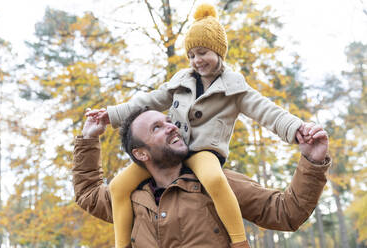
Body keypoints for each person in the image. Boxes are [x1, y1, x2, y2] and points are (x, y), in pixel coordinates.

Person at [87, 4, 310, 248]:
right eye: (191, 55)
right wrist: (110, 115)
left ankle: (239, 241)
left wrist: (295, 129)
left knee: (214, 179)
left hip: (204, 151)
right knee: (119, 186)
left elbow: (267, 112)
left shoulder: (234, 88)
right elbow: (147, 101)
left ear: (219, 51)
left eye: (202, 53)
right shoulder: (181, 81)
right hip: (172, 151)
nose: (196, 60)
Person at [73, 109, 330, 248]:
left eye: (167, 121)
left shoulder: (216, 183)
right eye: (157, 128)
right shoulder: (130, 199)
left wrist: (313, 160)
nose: (172, 126)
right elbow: (87, 194)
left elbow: (286, 212)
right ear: (141, 154)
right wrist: (88, 139)